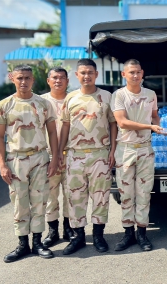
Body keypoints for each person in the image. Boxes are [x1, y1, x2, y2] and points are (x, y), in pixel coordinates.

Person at [0, 64, 58, 263]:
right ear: (12, 78)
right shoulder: (4, 105)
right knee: (19, 202)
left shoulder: (43, 104)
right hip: (16, 159)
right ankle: (23, 244)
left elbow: (53, 132)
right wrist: (2, 165)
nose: (23, 82)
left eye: (27, 78)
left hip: (39, 157)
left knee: (39, 202)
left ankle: (37, 242)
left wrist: (55, 158)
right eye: (20, 78)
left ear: (32, 80)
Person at [58, 58, 118, 255]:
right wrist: (60, 152)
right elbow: (65, 125)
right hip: (75, 156)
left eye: (90, 73)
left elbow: (113, 124)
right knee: (75, 197)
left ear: (96, 74)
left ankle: (99, 236)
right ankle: (79, 237)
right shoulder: (70, 98)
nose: (86, 76)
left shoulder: (107, 97)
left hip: (100, 154)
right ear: (77, 75)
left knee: (100, 197)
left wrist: (112, 150)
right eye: (82, 73)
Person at [111, 59, 164, 252]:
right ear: (124, 75)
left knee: (144, 193)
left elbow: (155, 114)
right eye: (131, 72)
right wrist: (150, 126)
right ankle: (128, 234)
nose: (135, 75)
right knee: (126, 193)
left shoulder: (150, 94)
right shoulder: (119, 95)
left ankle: (142, 234)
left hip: (145, 148)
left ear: (142, 74)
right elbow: (122, 122)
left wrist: (160, 126)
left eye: (138, 72)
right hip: (125, 148)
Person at [40, 67, 74, 247]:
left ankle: (69, 228)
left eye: (62, 78)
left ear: (67, 81)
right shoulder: (41, 101)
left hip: (71, 154)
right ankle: (52, 231)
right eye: (54, 77)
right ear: (48, 81)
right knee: (50, 194)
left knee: (71, 194)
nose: (58, 81)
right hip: (48, 156)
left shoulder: (74, 99)